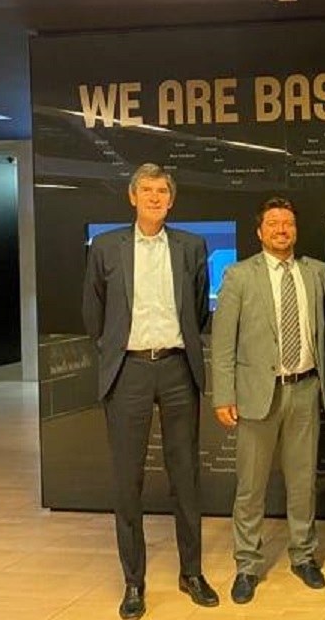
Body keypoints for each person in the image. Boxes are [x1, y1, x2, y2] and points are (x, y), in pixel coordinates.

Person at [81, 163, 219, 619]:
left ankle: (191, 573)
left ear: (171, 200)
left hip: (178, 367)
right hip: (129, 370)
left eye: (162, 191)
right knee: (128, 481)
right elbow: (93, 312)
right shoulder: (106, 247)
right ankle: (133, 582)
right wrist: (117, 354)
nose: (155, 197)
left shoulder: (191, 246)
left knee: (186, 477)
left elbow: (198, 309)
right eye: (147, 190)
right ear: (132, 196)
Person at [210, 197, 325, 604]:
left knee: (303, 482)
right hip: (257, 394)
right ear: (260, 231)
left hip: (306, 389)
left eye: (288, 223)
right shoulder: (238, 275)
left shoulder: (316, 272)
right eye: (274, 223)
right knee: (251, 486)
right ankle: (247, 564)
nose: (282, 230)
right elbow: (223, 343)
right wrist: (224, 394)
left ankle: (304, 555)